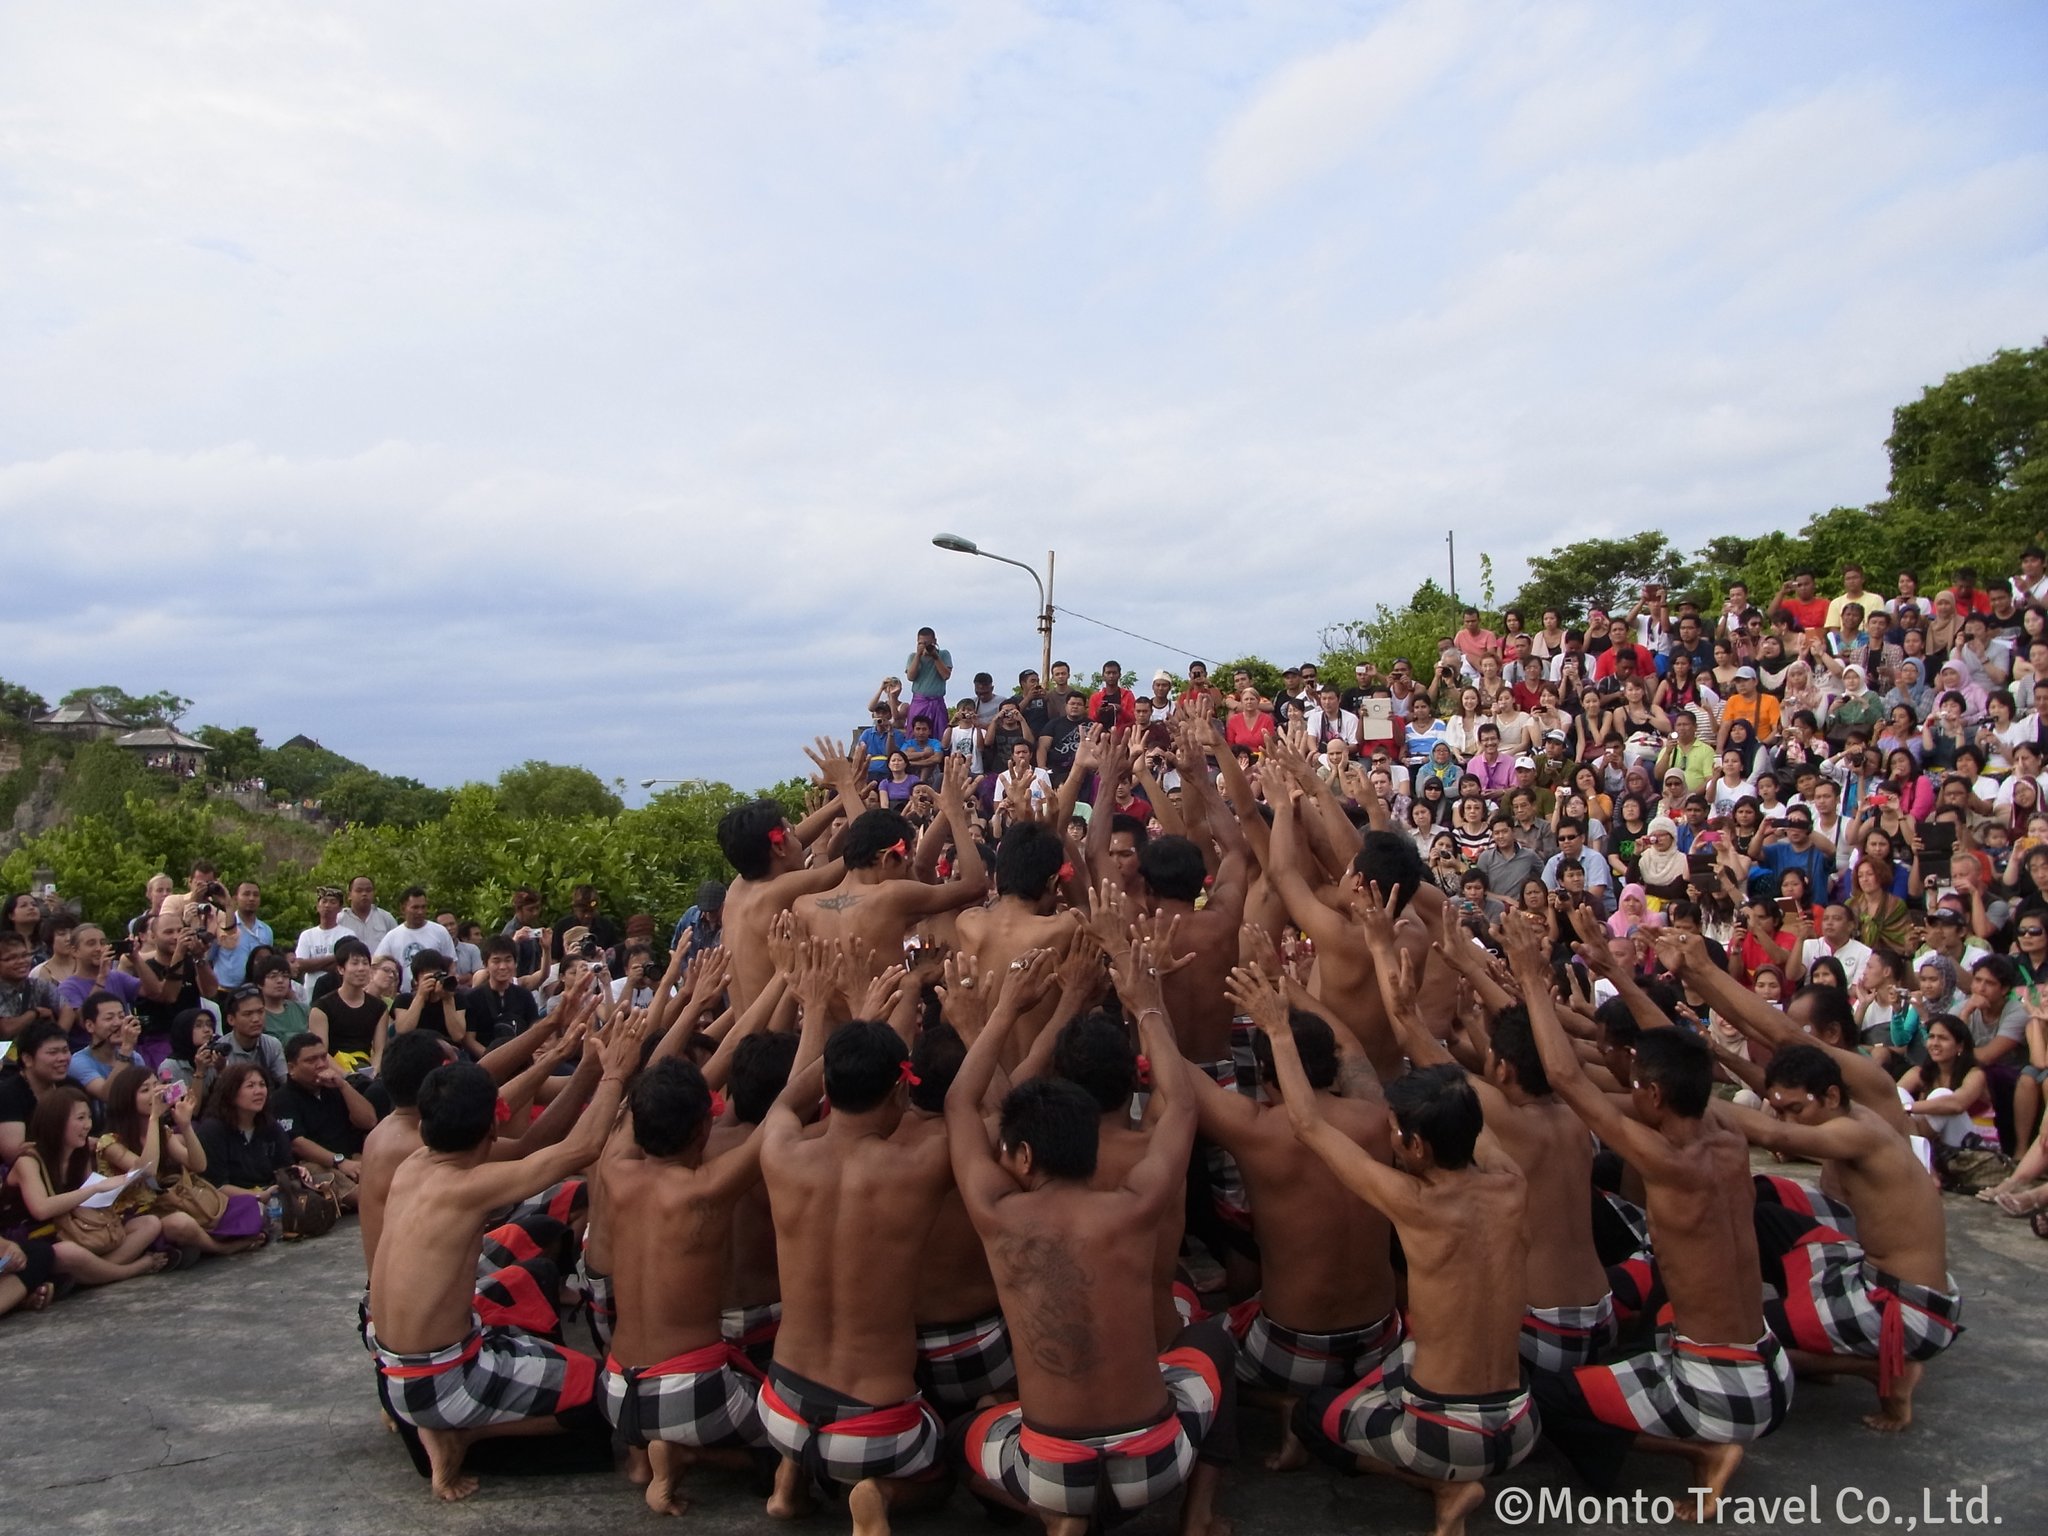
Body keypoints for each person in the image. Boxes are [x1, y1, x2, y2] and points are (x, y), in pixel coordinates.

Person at [950, 928, 1235, 1536]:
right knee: (1214, 1341)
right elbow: (1182, 1105)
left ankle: (1055, 1519)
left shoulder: (998, 1213)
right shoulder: (1135, 1208)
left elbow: (960, 1104)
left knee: (960, 1438)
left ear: (1022, 1157)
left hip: (1049, 1466)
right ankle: (1200, 1515)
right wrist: (1145, 1002)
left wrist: (1002, 1011)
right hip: (1157, 1460)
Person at [1509, 914, 1792, 1518]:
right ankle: (1687, 1416)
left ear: (1656, 1096)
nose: (1632, 1089)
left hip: (1724, 1392)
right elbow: (1682, 1050)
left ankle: (1699, 1449)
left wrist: (1531, 981)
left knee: (1548, 1402)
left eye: (1638, 1084)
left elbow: (1562, 1076)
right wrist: (1617, 974)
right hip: (1771, 1367)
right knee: (1645, 1312)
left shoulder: (1666, 1158)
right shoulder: (1726, 1136)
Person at [1240, 962, 1536, 1536]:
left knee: (1311, 1416)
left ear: (1418, 1146)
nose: (1389, 1139)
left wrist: (1278, 1030)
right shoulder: (1510, 1180)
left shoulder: (1413, 1202)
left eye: (1397, 1132)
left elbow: (1308, 1124)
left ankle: (1441, 1483)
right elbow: (1461, 1087)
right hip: (1521, 1423)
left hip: (1446, 1434)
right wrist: (1406, 1019)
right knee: (1395, 1355)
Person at [368, 1010, 648, 1501]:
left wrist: (574, 1062)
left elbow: (507, 1118)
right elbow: (579, 1148)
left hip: (398, 1371)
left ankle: (452, 1422)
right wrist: (617, 1073)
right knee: (605, 1394)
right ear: (489, 1133)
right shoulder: (468, 1186)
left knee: (534, 1291)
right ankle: (465, 1433)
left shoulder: (416, 1161)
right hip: (440, 1381)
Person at [756, 1006, 957, 1529]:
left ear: (826, 1082)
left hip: (779, 1407)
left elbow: (784, 1101)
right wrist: (987, 1016)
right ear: (899, 1090)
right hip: (874, 1428)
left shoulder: (780, 1152)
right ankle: (880, 1494)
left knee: (805, 1407)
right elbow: (975, 1106)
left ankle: (788, 1481)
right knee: (945, 1472)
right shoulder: (925, 1161)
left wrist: (854, 1019)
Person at [1716, 1046, 1960, 1431]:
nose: (1789, 1120)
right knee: (1766, 1218)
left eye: (1797, 1111)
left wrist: (1687, 1093)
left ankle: (1876, 1369)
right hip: (1880, 1277)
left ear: (1830, 1095)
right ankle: (1818, 1336)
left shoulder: (1856, 1132)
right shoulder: (1851, 1111)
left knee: (1733, 1331)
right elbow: (1775, 1107)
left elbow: (1770, 1131)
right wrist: (1715, 1051)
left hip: (1907, 1312)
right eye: (1783, 1110)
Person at [598, 1056, 774, 1516]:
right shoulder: (706, 1189)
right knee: (795, 1446)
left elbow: (633, 1114)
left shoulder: (613, 1170)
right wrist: (818, 1017)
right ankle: (686, 1453)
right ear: (703, 1129)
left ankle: (648, 1455)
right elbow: (785, 1113)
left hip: (616, 1389)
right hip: (688, 1391)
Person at [7, 1085, 170, 1282]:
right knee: (69, 1253)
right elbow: (41, 1209)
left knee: (149, 1224)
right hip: (36, 1238)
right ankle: (132, 1269)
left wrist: (117, 1187)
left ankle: (88, 1274)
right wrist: (97, 1187)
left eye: (89, 1117)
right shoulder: (29, 1161)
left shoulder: (79, 1154)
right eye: (80, 1118)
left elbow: (88, 1202)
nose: (87, 1125)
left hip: (75, 1230)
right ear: (56, 1122)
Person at [274, 1033, 376, 1199]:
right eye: (311, 1060)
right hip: (314, 1165)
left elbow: (369, 1121)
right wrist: (340, 1161)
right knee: (365, 1195)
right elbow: (297, 1143)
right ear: (292, 1068)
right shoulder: (282, 1098)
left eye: (323, 1057)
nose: (321, 1064)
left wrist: (344, 1085)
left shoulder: (335, 1087)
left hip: (351, 1156)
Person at [0, 1018, 76, 1161]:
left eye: (65, 1050)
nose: (62, 1058)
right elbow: (14, 1153)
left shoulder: (71, 1087)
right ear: (27, 1059)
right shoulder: (8, 1094)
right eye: (53, 1052)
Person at [374, 887, 459, 979]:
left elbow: (452, 965)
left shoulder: (440, 931)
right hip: (405, 992)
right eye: (415, 907)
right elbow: (376, 965)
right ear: (403, 909)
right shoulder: (392, 937)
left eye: (423, 907)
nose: (420, 912)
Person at [294, 887, 352, 987]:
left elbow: (346, 964)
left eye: (333, 902)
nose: (327, 905)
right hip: (312, 989)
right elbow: (300, 965)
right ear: (317, 906)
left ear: (340, 908)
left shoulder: (348, 934)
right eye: (324, 901)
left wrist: (313, 965)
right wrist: (335, 957)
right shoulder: (307, 935)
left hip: (338, 988)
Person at [336, 876, 399, 949]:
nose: (364, 894)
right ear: (349, 895)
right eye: (359, 890)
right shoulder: (339, 919)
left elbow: (397, 944)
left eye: (368, 890)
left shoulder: (386, 918)